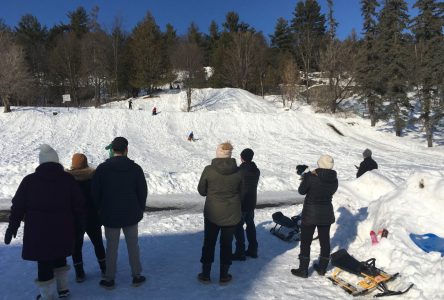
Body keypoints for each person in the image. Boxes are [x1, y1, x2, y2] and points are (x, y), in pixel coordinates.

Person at [4, 144, 86, 299]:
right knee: (60, 255)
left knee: (44, 262)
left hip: (38, 232)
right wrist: (80, 226)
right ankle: (63, 289)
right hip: (63, 229)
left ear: (41, 162)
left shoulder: (29, 181)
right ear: (56, 161)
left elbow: (18, 206)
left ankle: (48, 295)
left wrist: (12, 227)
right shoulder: (68, 180)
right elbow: (79, 205)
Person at [92, 137, 148, 289]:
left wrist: (99, 209)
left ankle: (109, 278)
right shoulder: (136, 168)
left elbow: (95, 193)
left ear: (112, 150)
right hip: (131, 214)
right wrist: (139, 208)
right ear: (126, 150)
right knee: (133, 245)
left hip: (110, 215)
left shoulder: (102, 169)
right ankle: (136, 275)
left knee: (111, 247)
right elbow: (142, 191)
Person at [197, 142, 242, 284]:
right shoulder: (239, 171)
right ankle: (224, 275)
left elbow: (202, 191)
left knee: (209, 243)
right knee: (227, 244)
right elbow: (242, 191)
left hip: (212, 213)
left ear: (218, 153)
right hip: (231, 213)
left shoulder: (209, 170)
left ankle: (205, 274)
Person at [291, 154, 338, 278]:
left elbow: (301, 191)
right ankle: (322, 268)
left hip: (310, 214)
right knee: (325, 241)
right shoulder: (334, 179)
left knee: (306, 242)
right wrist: (309, 176)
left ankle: (303, 270)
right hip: (326, 213)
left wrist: (306, 177)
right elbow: (325, 187)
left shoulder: (312, 177)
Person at [66, 153, 106, 282]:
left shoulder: (68, 179)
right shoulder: (95, 176)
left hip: (76, 219)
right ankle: (105, 269)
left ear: (73, 164)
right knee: (98, 244)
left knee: (76, 247)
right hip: (93, 216)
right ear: (86, 163)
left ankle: (79, 274)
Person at [232, 148, 260, 261]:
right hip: (251, 202)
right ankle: (253, 250)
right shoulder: (256, 170)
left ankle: (240, 252)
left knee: (238, 228)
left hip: (240, 203)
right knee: (250, 225)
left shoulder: (239, 171)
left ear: (242, 157)